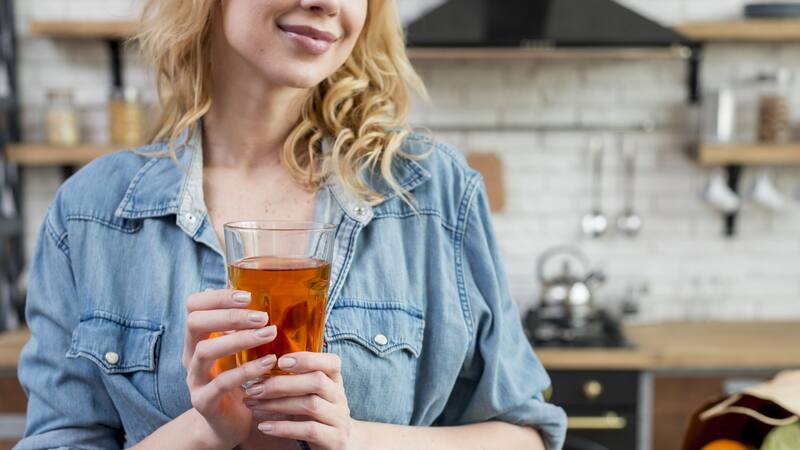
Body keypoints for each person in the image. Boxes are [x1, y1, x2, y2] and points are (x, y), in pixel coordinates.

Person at [15, 1, 566, 449]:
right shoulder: (90, 213)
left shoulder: (432, 193)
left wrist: (356, 438)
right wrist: (201, 433)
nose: (325, 3)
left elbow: (526, 435)